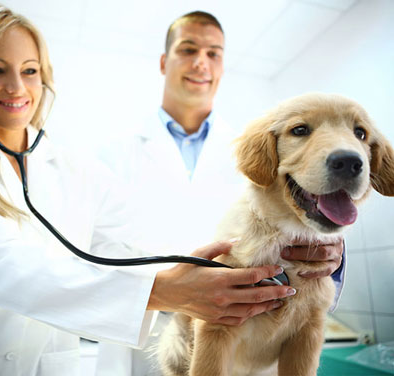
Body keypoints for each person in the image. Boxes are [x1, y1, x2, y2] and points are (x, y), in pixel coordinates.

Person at [0, 5, 295, 376]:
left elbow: (136, 241)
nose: (17, 87)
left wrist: (281, 254)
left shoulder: (76, 169)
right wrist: (167, 292)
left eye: (30, 70)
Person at [96, 11, 345, 376]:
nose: (201, 62)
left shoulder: (260, 149)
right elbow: (97, 251)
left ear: (223, 67)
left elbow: (301, 213)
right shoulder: (113, 153)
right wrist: (171, 290)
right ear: (165, 62)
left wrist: (330, 248)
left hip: (244, 346)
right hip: (144, 335)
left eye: (214, 53)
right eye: (188, 49)